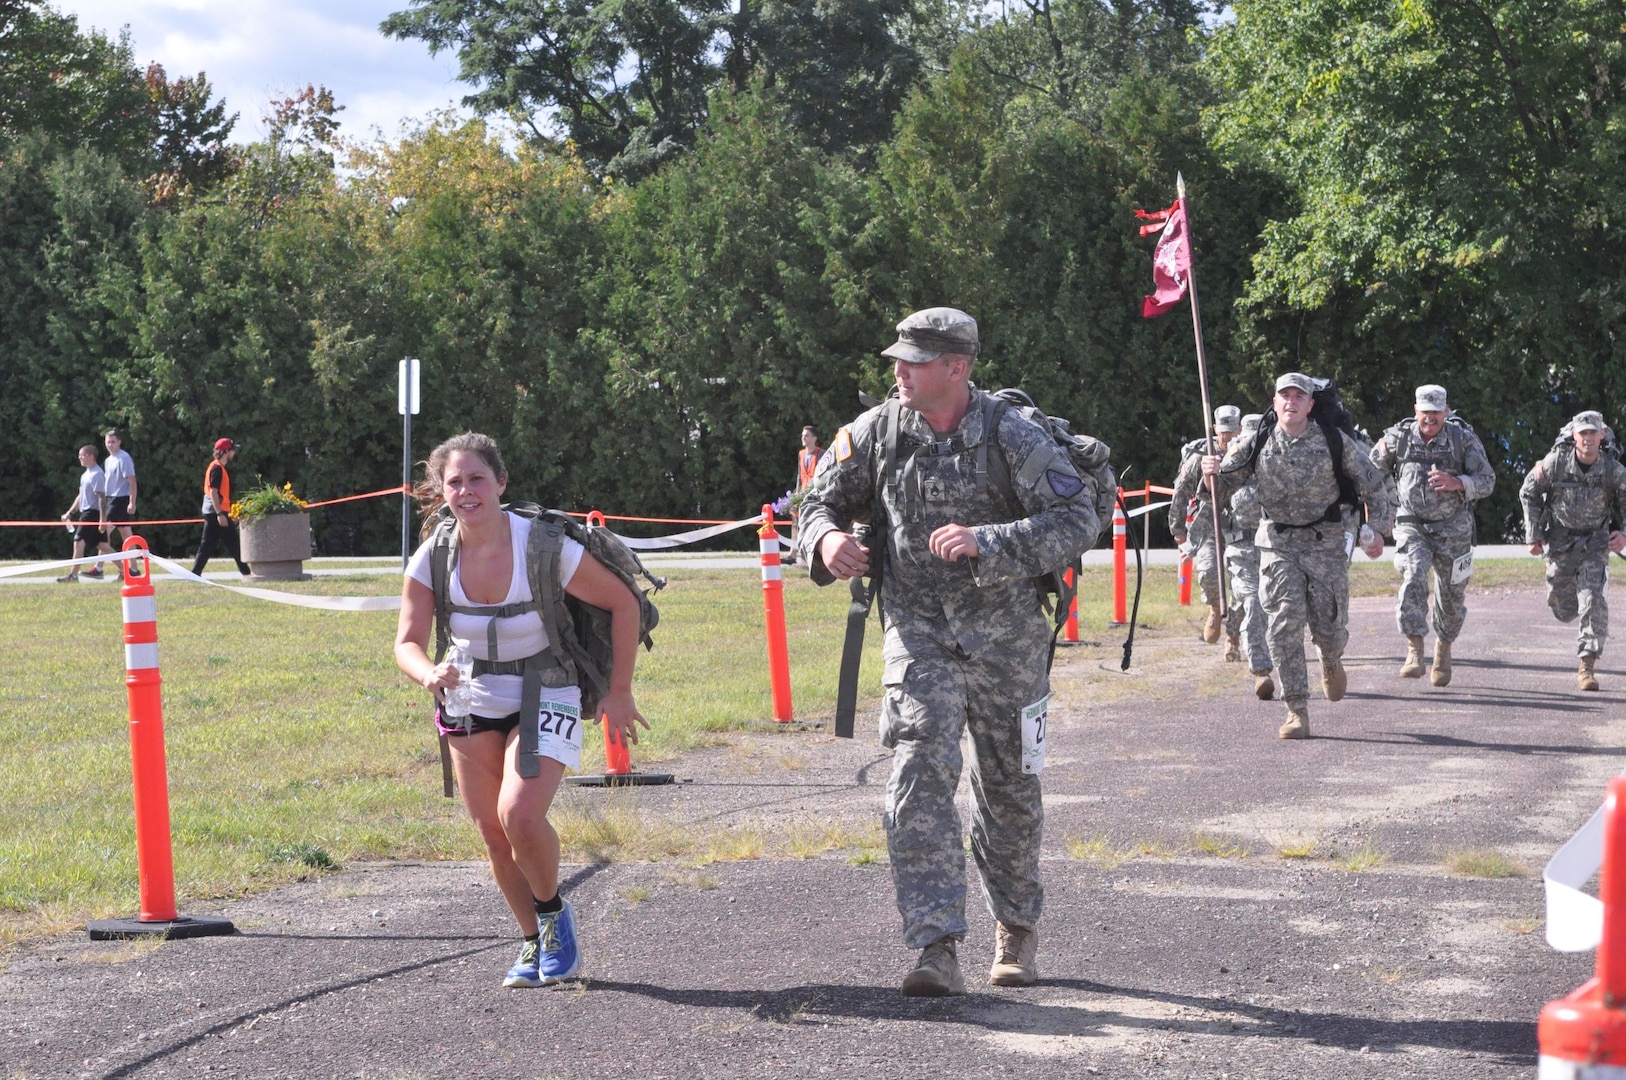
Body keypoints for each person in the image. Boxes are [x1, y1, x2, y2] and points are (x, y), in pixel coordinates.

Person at [797, 307, 1098, 996]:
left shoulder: (1011, 434)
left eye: (914, 359)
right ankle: (936, 946)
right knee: (918, 774)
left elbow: (1078, 518)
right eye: (898, 359)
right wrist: (825, 541)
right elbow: (815, 503)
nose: (898, 370)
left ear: (956, 368)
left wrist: (988, 541)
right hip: (918, 635)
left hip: (1009, 640)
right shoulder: (877, 430)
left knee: (1010, 789)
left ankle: (1016, 927)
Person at [394, 432, 648, 988]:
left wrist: (619, 691)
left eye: (477, 478)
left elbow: (623, 602)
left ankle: (554, 919)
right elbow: (407, 641)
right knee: (492, 831)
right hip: (469, 695)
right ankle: (533, 943)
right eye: (454, 482)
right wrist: (427, 672)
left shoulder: (543, 546)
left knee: (520, 814)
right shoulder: (433, 554)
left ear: (501, 482)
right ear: (441, 491)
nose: (466, 491)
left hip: (545, 686)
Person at [1202, 373, 1392, 739]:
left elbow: (1372, 482)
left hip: (1326, 542)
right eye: (1284, 395)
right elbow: (1224, 485)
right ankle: (1296, 710)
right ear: (1275, 403)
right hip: (1277, 542)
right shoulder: (1257, 442)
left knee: (1330, 627)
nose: (1291, 401)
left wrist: (1378, 529)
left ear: (1309, 404)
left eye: (1298, 396)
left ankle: (1331, 658)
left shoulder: (1334, 441)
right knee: (1283, 624)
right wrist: (1211, 473)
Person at [1371, 385, 1495, 686]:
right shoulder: (1397, 438)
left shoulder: (1461, 439)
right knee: (1413, 575)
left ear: (1446, 411)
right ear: (1416, 411)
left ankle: (1444, 646)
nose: (1430, 418)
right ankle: (1414, 647)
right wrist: (1380, 517)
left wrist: (1459, 482)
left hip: (1455, 529)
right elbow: (1370, 475)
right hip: (1412, 525)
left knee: (1451, 598)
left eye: (1436, 412)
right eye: (1425, 412)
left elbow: (1488, 480)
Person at [1520, 411, 1626, 691]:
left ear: (1601, 435)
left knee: (1593, 600)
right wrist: (1533, 534)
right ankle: (1568, 606)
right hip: (1561, 542)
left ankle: (1587, 665)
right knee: (1563, 607)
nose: (1588, 438)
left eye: (1593, 433)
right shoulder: (1555, 463)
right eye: (1583, 433)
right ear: (1574, 436)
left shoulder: (1613, 469)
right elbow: (1528, 492)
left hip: (1595, 543)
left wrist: (1623, 534)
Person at [1170, 405, 1242, 645]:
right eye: (1224, 432)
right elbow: (1181, 491)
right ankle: (1215, 608)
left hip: (1241, 525)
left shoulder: (1248, 452)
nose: (1228, 437)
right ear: (1215, 429)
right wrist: (1177, 528)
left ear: (1240, 429)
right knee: (1209, 572)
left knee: (1243, 583)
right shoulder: (1201, 456)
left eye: (1233, 432)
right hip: (1209, 524)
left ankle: (1234, 632)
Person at [1221, 414, 1275, 699]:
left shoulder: (1279, 458)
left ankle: (1234, 633)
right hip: (1241, 547)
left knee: (1271, 608)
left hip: (1276, 547)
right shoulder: (1233, 462)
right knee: (1252, 602)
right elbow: (1210, 495)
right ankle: (1261, 671)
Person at [191, 438, 251, 577]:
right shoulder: (217, 468)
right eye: (232, 450)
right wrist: (220, 514)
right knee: (234, 543)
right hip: (215, 512)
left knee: (207, 545)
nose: (234, 452)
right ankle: (247, 573)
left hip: (213, 511)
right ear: (225, 452)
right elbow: (213, 491)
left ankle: (194, 574)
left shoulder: (217, 467)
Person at [56, 445, 114, 582]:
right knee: (103, 545)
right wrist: (70, 513)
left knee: (78, 542)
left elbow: (101, 497)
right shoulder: (85, 475)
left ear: (91, 456)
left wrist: (102, 519)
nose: (79, 458)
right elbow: (81, 496)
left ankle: (73, 576)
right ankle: (126, 571)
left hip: (92, 514)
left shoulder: (97, 474)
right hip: (86, 512)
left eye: (82, 455)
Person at [788, 426, 823, 563]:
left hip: (815, 494)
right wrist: (796, 495)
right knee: (796, 522)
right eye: (803, 435)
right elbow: (799, 475)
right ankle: (792, 553)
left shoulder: (821, 454)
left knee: (810, 523)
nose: (803, 438)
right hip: (802, 493)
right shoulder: (801, 454)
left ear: (814, 438)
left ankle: (806, 556)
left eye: (807, 435)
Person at [101, 429, 137, 546]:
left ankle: (99, 565)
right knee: (126, 533)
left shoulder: (124, 458)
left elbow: (132, 481)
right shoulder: (108, 460)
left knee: (104, 532)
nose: (110, 445)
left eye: (113, 442)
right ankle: (134, 564)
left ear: (119, 442)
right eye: (108, 442)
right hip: (110, 498)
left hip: (120, 499)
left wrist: (132, 502)